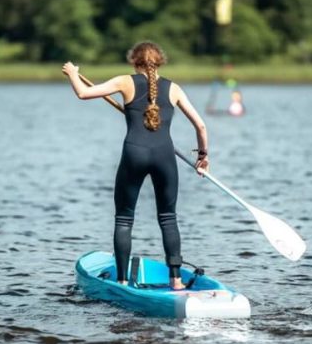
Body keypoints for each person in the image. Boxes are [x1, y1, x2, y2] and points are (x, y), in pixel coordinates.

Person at [62, 41, 209, 290]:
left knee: (123, 219)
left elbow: (84, 93)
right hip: (165, 156)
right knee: (168, 217)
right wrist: (202, 156)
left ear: (134, 61)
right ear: (160, 61)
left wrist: (74, 74)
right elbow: (201, 125)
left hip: (134, 154)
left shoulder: (124, 81)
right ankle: (176, 280)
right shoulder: (173, 88)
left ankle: (121, 281)